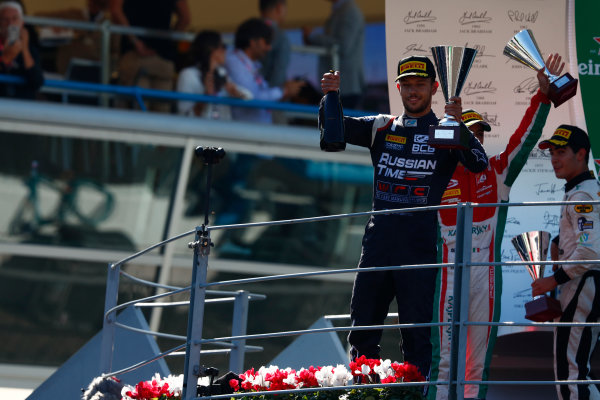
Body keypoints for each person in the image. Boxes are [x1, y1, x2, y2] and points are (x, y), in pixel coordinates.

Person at [320, 56, 489, 381]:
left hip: (420, 250)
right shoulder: (381, 125)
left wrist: (461, 128)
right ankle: (363, 391)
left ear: (434, 88)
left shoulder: (445, 130)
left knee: (417, 336)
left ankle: (416, 394)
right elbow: (334, 132)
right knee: (363, 330)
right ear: (398, 87)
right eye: (407, 85)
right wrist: (330, 95)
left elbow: (479, 164)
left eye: (420, 85)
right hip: (377, 247)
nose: (413, 91)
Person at [429, 53, 564, 400]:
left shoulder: (498, 171)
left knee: (477, 362)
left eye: (479, 134)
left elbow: (524, 137)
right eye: (468, 133)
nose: (476, 139)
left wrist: (543, 96)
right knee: (445, 360)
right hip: (447, 271)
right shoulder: (436, 173)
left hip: (485, 274)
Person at [532, 125, 600, 400]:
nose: (554, 159)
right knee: (572, 370)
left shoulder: (583, 195)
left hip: (583, 284)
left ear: (581, 154)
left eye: (561, 152)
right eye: (552, 153)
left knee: (572, 375)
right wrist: (561, 240)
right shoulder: (584, 189)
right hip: (582, 285)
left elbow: (588, 252)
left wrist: (552, 279)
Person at [109, 0, 190, 112]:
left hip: (135, 56)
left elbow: (115, 11)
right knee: (161, 112)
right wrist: (169, 42)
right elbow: (185, 18)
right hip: (163, 58)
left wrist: (134, 41)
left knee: (138, 111)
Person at [225, 17, 303, 124]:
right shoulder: (234, 62)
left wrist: (284, 92)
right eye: (266, 41)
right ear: (252, 42)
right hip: (245, 133)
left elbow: (261, 95)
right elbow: (252, 98)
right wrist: (282, 91)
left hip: (255, 131)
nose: (269, 47)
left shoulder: (251, 64)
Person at [176, 30, 250, 119]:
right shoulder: (189, 75)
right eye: (223, 46)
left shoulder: (222, 73)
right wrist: (205, 96)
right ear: (211, 49)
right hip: (199, 131)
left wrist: (236, 93)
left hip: (222, 130)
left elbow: (248, 98)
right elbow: (184, 114)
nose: (225, 50)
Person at [305, 0, 365, 109]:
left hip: (345, 88)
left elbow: (343, 45)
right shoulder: (342, 10)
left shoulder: (349, 11)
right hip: (341, 87)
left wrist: (313, 36)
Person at [0, 1, 43, 99]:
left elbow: (37, 82)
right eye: (5, 20)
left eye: (15, 19)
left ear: (22, 22)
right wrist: (6, 58)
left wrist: (24, 48)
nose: (10, 24)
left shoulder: (30, 49)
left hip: (22, 108)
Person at [259, 0, 290, 88]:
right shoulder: (280, 36)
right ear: (279, 7)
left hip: (247, 95)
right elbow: (279, 72)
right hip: (269, 96)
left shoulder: (249, 31)